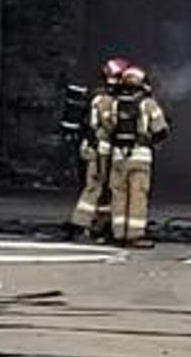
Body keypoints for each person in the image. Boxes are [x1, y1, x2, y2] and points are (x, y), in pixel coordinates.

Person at [93, 63, 168, 247]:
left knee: (118, 195)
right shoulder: (148, 103)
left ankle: (118, 234)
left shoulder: (114, 103)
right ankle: (134, 235)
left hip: (118, 157)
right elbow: (160, 129)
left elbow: (108, 127)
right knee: (137, 196)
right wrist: (151, 140)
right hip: (140, 157)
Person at [66, 57, 129, 241]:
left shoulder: (95, 96)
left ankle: (98, 225)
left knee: (101, 189)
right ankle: (82, 224)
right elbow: (110, 126)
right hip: (100, 150)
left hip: (94, 148)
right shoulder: (106, 100)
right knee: (96, 187)